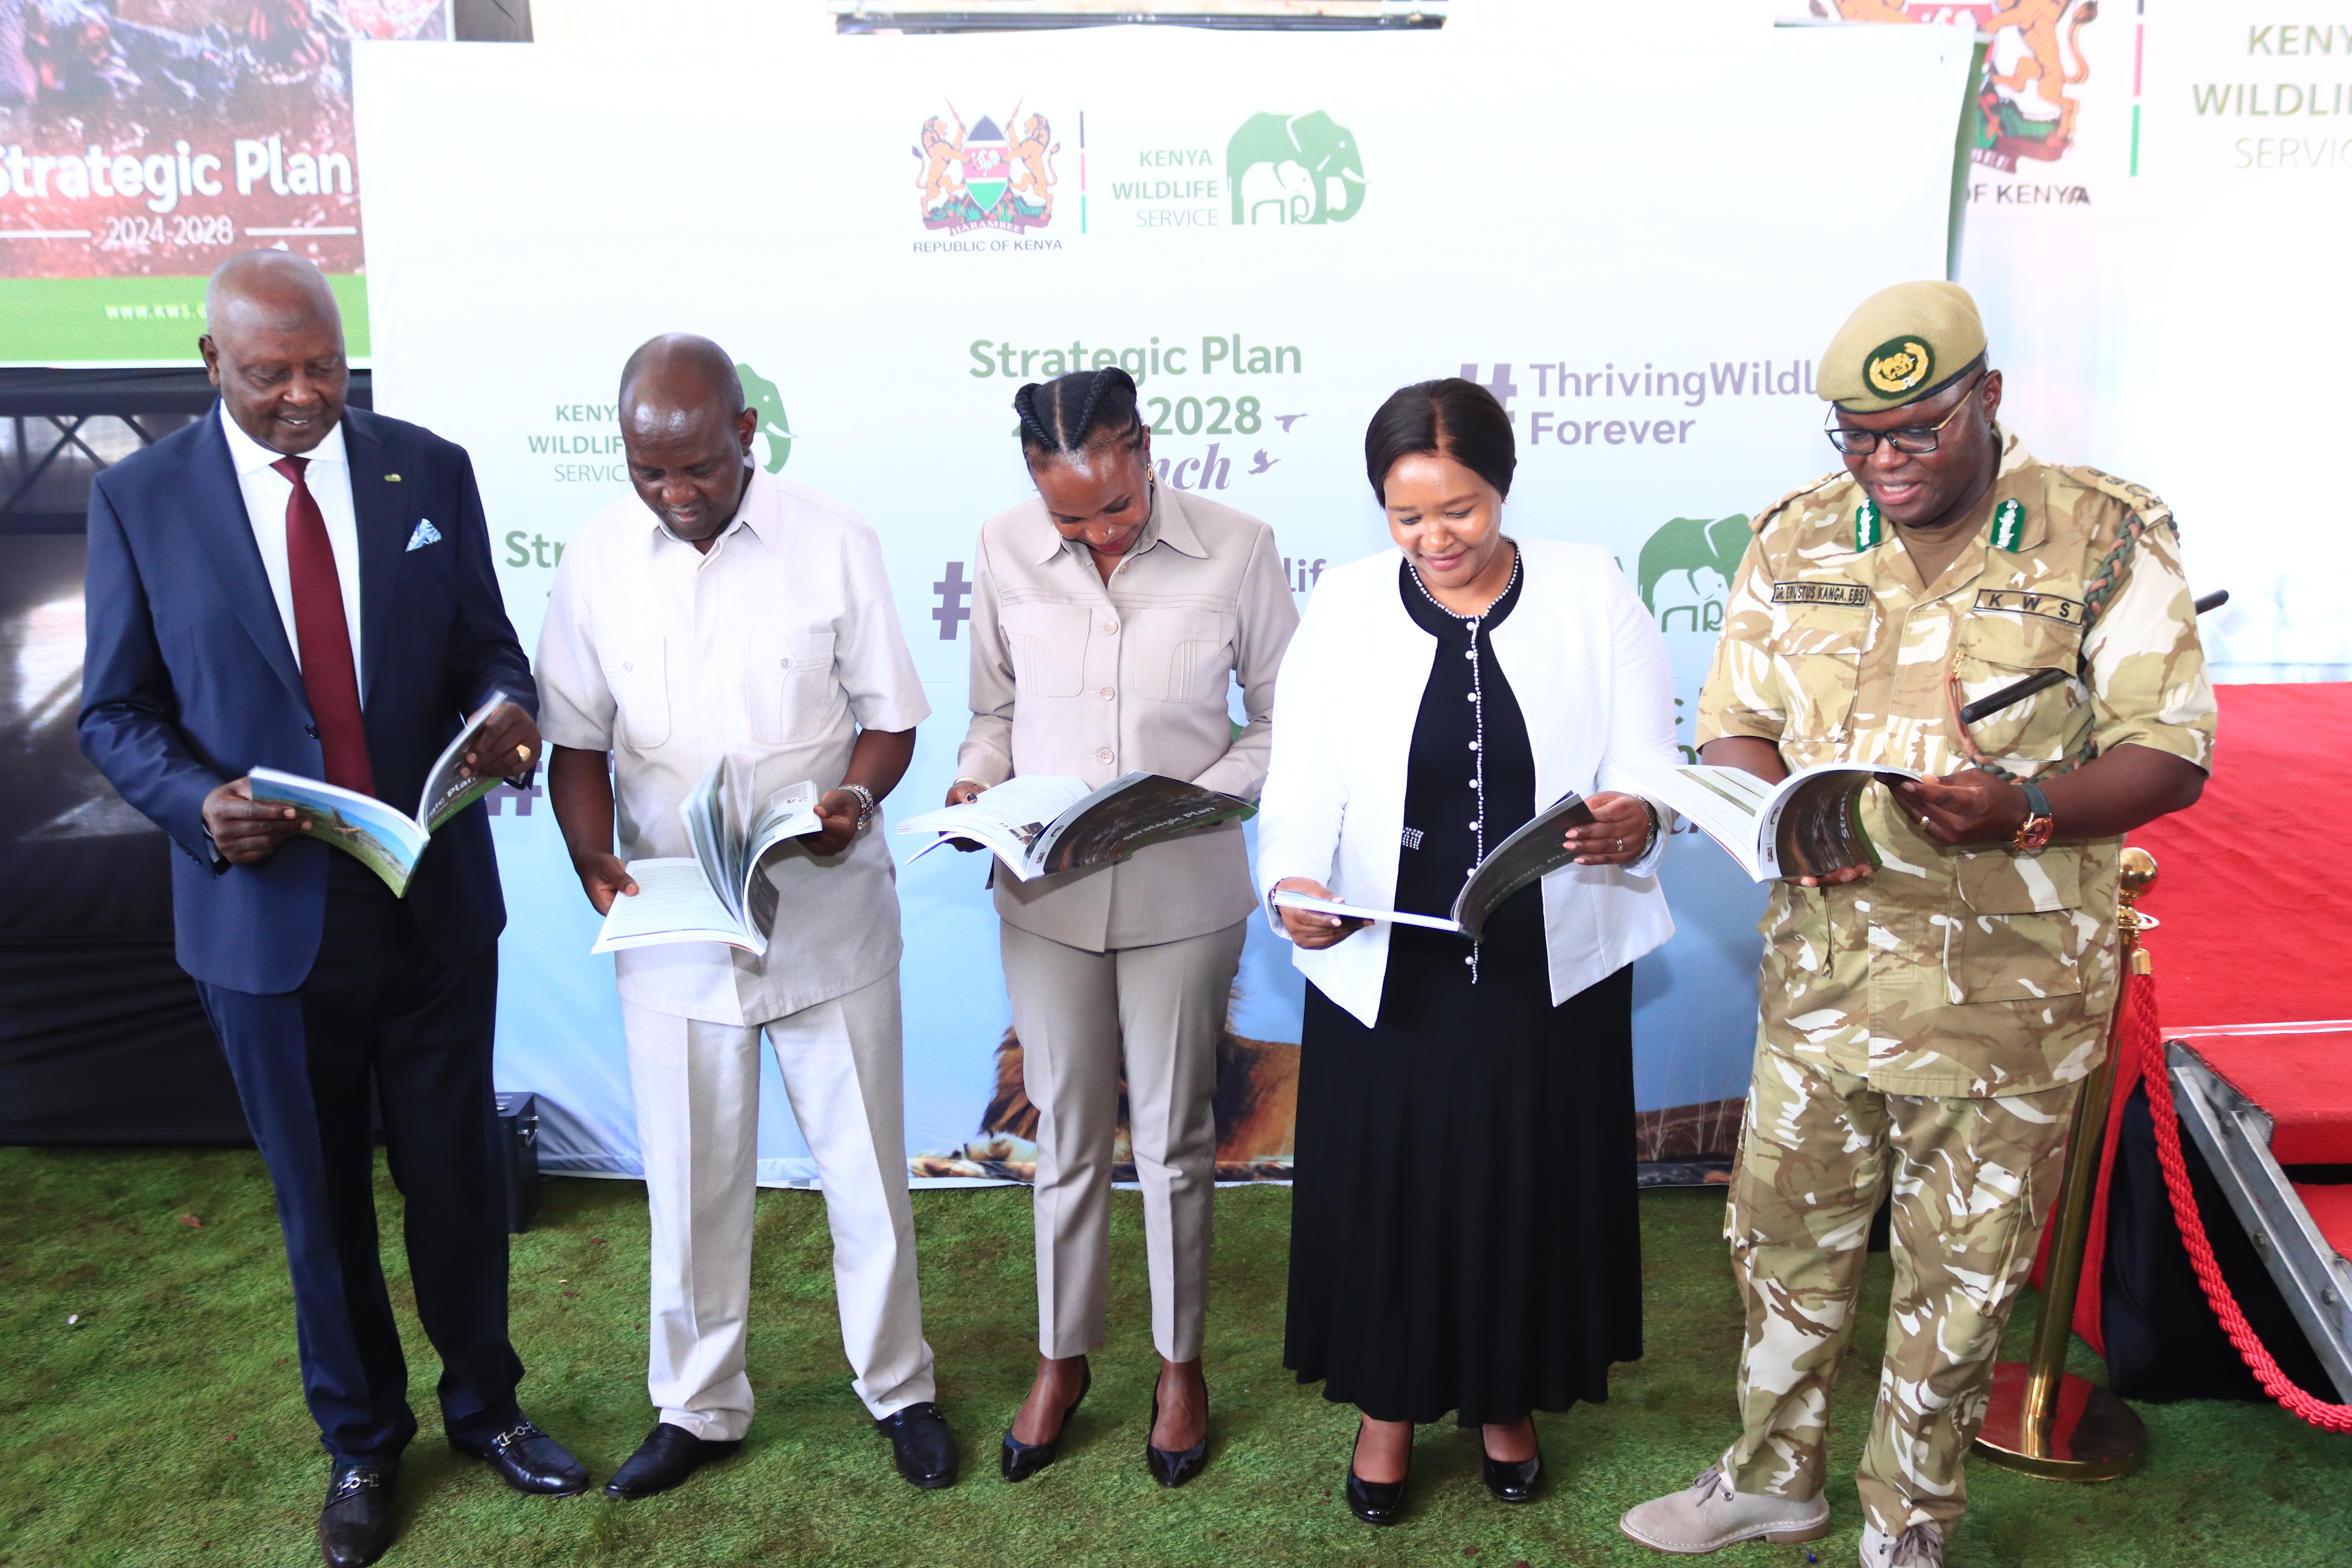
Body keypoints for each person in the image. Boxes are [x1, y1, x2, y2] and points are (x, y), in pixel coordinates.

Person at [1618, 281, 2215, 1568]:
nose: (1883, 465)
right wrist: (1768, 807)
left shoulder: (2103, 535)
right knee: (1781, 1243)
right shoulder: (1795, 536)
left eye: (1916, 434)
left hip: (2009, 1000)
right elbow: (1739, 717)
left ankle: (1908, 1523)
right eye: (1857, 438)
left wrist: (2030, 807)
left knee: (1960, 1285)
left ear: (1987, 399)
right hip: (1826, 978)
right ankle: (1773, 1479)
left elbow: (2169, 753)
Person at [77, 250, 584, 1568]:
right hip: (264, 918)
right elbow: (115, 709)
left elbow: (486, 643)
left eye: (325, 368)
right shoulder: (138, 500)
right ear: (212, 367)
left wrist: (504, 711)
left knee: (458, 1176)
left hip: (429, 898)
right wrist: (197, 803)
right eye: (270, 376)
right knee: (322, 1202)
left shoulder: (428, 467)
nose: (305, 395)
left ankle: (488, 1407)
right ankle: (364, 1440)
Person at [1257, 377, 1680, 1526]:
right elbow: (1299, 788)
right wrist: (1291, 883)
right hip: (1390, 958)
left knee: (1526, 1180)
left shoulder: (1591, 587)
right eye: (1409, 517)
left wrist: (1638, 815)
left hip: (1553, 953)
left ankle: (1507, 1400)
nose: (1437, 540)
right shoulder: (1342, 607)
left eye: (1463, 510)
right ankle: (1386, 1408)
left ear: (1503, 491)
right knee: (1393, 1188)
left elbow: (1651, 758)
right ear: (1379, 512)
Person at [539, 335, 955, 1497]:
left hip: (826, 915)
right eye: (646, 473)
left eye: (696, 471)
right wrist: (590, 855)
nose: (673, 496)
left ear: (745, 439)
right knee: (690, 1185)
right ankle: (699, 1409)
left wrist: (855, 798)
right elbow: (576, 740)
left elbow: (890, 719)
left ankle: (900, 1389)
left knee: (867, 1175)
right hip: (672, 928)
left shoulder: (834, 540)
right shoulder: (595, 559)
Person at [950, 366, 1298, 1486]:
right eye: (1071, 516)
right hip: (1045, 895)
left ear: (1145, 451)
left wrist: (1195, 798)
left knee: (1175, 1142)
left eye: (1115, 505)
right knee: (1063, 1136)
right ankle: (1063, 1357)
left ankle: (1179, 1364)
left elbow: (1283, 723)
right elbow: (993, 718)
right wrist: (974, 788)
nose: (1098, 532)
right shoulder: (1002, 547)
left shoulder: (1240, 548)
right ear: (1033, 487)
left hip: (1183, 891)